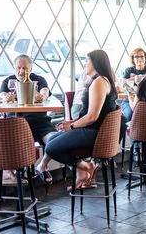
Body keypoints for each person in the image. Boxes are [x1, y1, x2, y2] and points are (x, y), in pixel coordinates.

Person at [45, 49, 118, 190]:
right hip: (92, 129)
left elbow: (92, 116)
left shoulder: (99, 82)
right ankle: (82, 170)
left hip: (93, 132)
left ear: (95, 63)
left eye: (86, 61)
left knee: (51, 148)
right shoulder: (101, 80)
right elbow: (89, 113)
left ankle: (86, 166)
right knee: (50, 141)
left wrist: (72, 127)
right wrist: (72, 122)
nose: (84, 64)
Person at [0, 55, 56, 184]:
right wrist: (6, 97)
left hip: (39, 122)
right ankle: (9, 171)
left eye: (24, 68)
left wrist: (41, 96)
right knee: (2, 137)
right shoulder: (8, 81)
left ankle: (42, 165)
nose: (21, 71)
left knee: (55, 140)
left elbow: (45, 92)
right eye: (18, 68)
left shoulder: (38, 79)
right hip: (15, 124)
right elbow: (2, 95)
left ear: (31, 68)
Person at [120, 47, 146, 121]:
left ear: (145, 58)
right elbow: (124, 86)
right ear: (133, 59)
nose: (139, 59)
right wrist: (133, 93)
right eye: (136, 57)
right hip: (128, 99)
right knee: (130, 114)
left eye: (142, 56)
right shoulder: (128, 70)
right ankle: (130, 132)